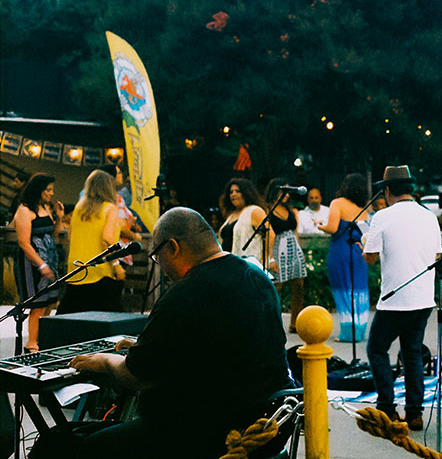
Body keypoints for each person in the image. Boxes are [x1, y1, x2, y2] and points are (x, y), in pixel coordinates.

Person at [69, 207, 293, 459]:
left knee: (91, 447)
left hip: (206, 431)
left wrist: (105, 361)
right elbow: (221, 343)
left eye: (157, 255)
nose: (161, 266)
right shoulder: (256, 277)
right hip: (266, 419)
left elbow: (136, 375)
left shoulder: (185, 293)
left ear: (173, 247)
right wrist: (149, 345)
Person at [364, 166, 442, 431]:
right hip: (423, 298)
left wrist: (363, 244)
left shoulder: (381, 217)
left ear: (387, 191)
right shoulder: (429, 216)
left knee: (376, 348)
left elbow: (371, 257)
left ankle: (386, 407)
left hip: (395, 299)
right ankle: (415, 413)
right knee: (412, 354)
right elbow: (436, 256)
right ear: (410, 189)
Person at [57, 170, 125, 314]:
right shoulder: (110, 208)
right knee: (106, 317)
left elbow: (70, 236)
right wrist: (117, 265)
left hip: (76, 268)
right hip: (99, 269)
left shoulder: (78, 208)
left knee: (73, 316)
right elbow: (107, 237)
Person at [12, 173, 64, 352]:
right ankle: (31, 343)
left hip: (49, 256)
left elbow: (54, 234)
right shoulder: (24, 210)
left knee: (49, 301)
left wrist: (59, 217)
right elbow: (23, 242)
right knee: (38, 303)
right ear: (39, 190)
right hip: (32, 263)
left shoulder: (45, 208)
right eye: (48, 190)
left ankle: (40, 338)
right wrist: (41, 265)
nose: (51, 193)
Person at [319, 173, 370, 342]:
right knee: (359, 288)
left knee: (343, 288)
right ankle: (360, 330)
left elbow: (333, 228)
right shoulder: (364, 208)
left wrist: (320, 226)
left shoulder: (337, 203)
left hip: (341, 250)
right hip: (358, 251)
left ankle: (348, 332)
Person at [264, 178, 307, 332]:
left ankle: (295, 323)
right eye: (284, 191)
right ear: (275, 191)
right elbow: (268, 235)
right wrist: (270, 258)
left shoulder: (291, 210)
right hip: (277, 248)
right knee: (277, 286)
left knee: (298, 285)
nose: (287, 195)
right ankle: (273, 322)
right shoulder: (267, 209)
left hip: (293, 247)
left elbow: (295, 232)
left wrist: (299, 250)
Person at [217, 178, 270, 265]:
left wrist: (265, 259)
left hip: (248, 265)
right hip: (228, 264)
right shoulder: (231, 215)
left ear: (246, 193)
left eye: (237, 191)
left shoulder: (254, 211)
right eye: (231, 192)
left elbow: (270, 234)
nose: (233, 194)